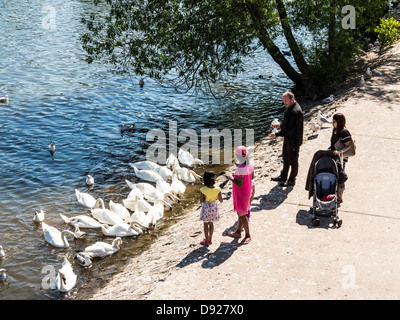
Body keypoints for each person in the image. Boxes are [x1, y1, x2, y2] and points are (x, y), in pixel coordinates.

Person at [269, 91, 304, 186]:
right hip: (288, 139)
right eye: (283, 100)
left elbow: (290, 130)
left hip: (293, 140)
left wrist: (276, 135)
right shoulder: (291, 108)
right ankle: (283, 176)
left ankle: (292, 180)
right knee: (285, 158)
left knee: (293, 161)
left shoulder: (295, 111)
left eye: (286, 100)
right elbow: (287, 125)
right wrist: (279, 125)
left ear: (292, 99)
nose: (284, 103)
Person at [227, 146, 254, 245]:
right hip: (247, 191)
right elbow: (251, 176)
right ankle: (238, 231)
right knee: (240, 212)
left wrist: (231, 178)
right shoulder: (250, 165)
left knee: (242, 215)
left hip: (241, 193)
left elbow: (239, 184)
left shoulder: (240, 168)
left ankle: (248, 235)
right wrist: (237, 175)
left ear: (238, 156)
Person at [329, 113, 353, 203]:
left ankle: (340, 197)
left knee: (341, 176)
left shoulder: (344, 132)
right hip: (335, 156)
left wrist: (339, 152)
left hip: (341, 158)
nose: (333, 123)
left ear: (339, 122)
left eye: (334, 121)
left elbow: (348, 145)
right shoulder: (335, 130)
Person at [199, 171, 223, 246]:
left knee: (205, 224)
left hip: (206, 207)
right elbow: (221, 200)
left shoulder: (203, 189)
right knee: (211, 223)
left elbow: (201, 201)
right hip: (213, 207)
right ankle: (210, 239)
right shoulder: (218, 189)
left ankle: (206, 240)